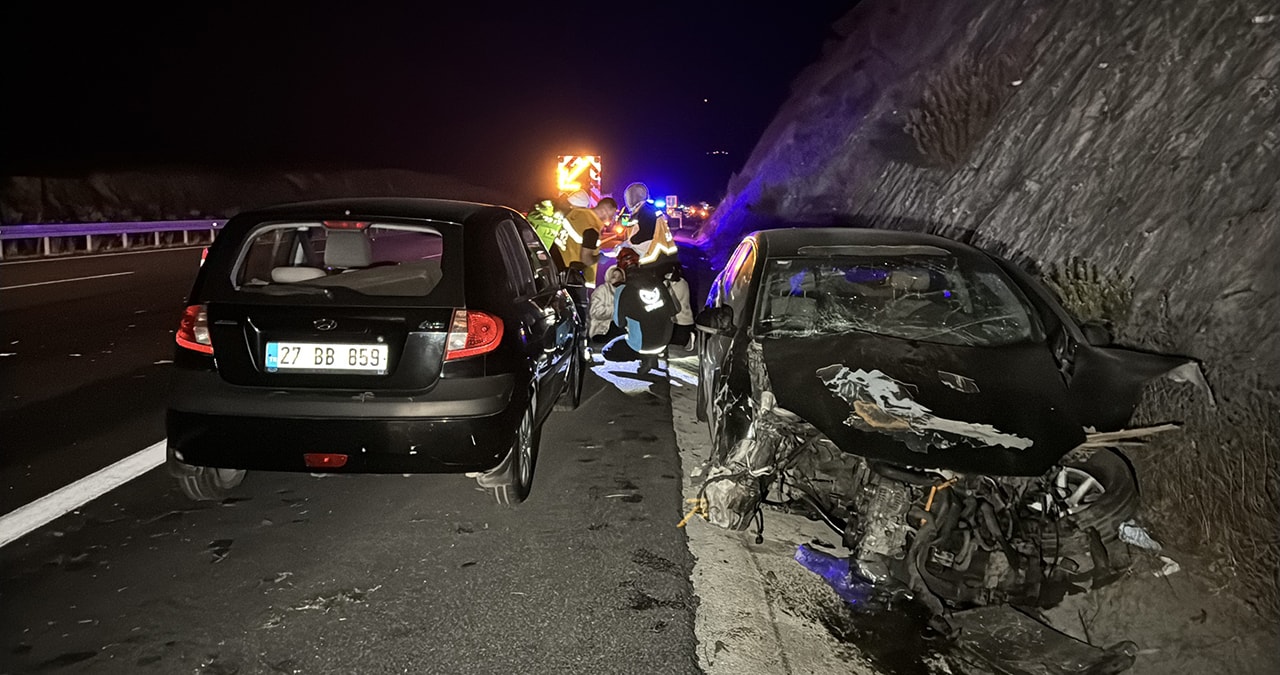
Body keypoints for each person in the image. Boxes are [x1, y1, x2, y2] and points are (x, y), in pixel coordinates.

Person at [613, 246, 676, 374]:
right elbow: (672, 310)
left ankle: (644, 358)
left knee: (608, 351)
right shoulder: (657, 282)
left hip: (642, 344)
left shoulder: (622, 290)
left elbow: (619, 323)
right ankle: (653, 357)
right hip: (665, 340)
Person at [559, 194, 618, 289]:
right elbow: (586, 260)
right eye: (611, 215)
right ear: (604, 211)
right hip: (572, 278)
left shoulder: (576, 214)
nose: (611, 219)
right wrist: (599, 258)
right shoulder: (592, 229)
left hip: (557, 268)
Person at [621, 182, 677, 267]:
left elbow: (646, 234)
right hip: (663, 255)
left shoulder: (645, 210)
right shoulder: (646, 208)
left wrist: (631, 241)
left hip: (653, 257)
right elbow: (626, 224)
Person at [588, 265, 626, 343]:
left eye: (620, 277)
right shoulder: (601, 290)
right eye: (614, 277)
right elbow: (595, 312)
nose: (618, 279)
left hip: (621, 329)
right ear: (609, 278)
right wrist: (616, 310)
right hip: (602, 330)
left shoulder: (626, 292)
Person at [665, 264, 696, 352]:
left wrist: (668, 289)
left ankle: (689, 336)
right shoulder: (667, 283)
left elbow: (674, 302)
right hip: (673, 320)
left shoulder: (681, 284)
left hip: (683, 320)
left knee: (679, 340)